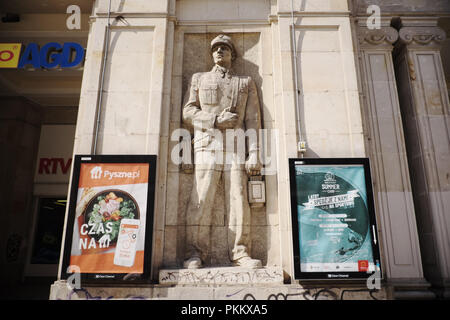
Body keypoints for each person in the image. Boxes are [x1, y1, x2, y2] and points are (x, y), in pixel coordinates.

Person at [182, 34, 262, 269]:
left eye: (224, 48)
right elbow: (188, 112)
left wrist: (255, 151)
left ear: (232, 54)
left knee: (238, 198)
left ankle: (240, 252)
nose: (219, 51)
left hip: (236, 146)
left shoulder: (245, 82)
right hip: (207, 144)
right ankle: (194, 253)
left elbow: (253, 119)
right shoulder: (199, 79)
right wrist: (215, 120)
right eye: (216, 48)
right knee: (201, 197)